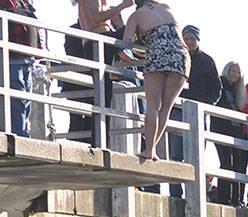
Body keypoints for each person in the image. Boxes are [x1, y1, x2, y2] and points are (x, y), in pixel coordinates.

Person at [120, 0, 188, 160]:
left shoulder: (136, 16)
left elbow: (125, 43)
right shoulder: (167, 6)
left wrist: (128, 55)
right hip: (181, 55)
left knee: (153, 105)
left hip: (158, 53)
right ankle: (152, 148)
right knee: (165, 109)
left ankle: (149, 150)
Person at [0, 0, 42, 135]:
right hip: (1, 56)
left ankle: (20, 140)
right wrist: (12, 13)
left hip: (21, 57)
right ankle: (19, 143)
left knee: (23, 105)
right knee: (16, 105)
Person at [166, 24, 219, 195]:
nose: (189, 42)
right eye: (186, 38)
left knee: (195, 155)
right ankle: (175, 193)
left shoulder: (207, 61)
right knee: (175, 154)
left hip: (198, 113)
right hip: (176, 109)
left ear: (198, 40)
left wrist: (207, 104)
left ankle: (193, 192)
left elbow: (216, 89)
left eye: (192, 39)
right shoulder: (175, 56)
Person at [67, 0, 129, 137]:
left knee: (105, 95)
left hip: (102, 42)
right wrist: (123, 5)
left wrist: (123, 53)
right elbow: (96, 18)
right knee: (136, 23)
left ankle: (101, 139)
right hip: (97, 41)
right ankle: (98, 139)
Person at [212, 61, 247, 206]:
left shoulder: (238, 90)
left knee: (239, 165)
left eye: (238, 72)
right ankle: (224, 198)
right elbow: (216, 101)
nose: (235, 74)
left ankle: (237, 199)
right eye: (232, 70)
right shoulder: (220, 83)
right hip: (221, 127)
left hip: (236, 129)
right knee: (226, 162)